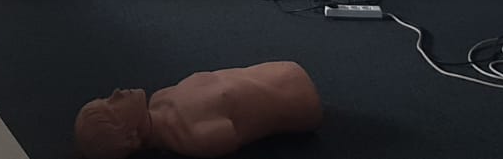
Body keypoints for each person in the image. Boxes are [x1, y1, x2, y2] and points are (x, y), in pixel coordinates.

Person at [73, 61, 323, 159]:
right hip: (302, 98)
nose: (116, 92)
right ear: (130, 137)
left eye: (106, 97)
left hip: (283, 69)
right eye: (113, 106)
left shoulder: (159, 99)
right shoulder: (195, 135)